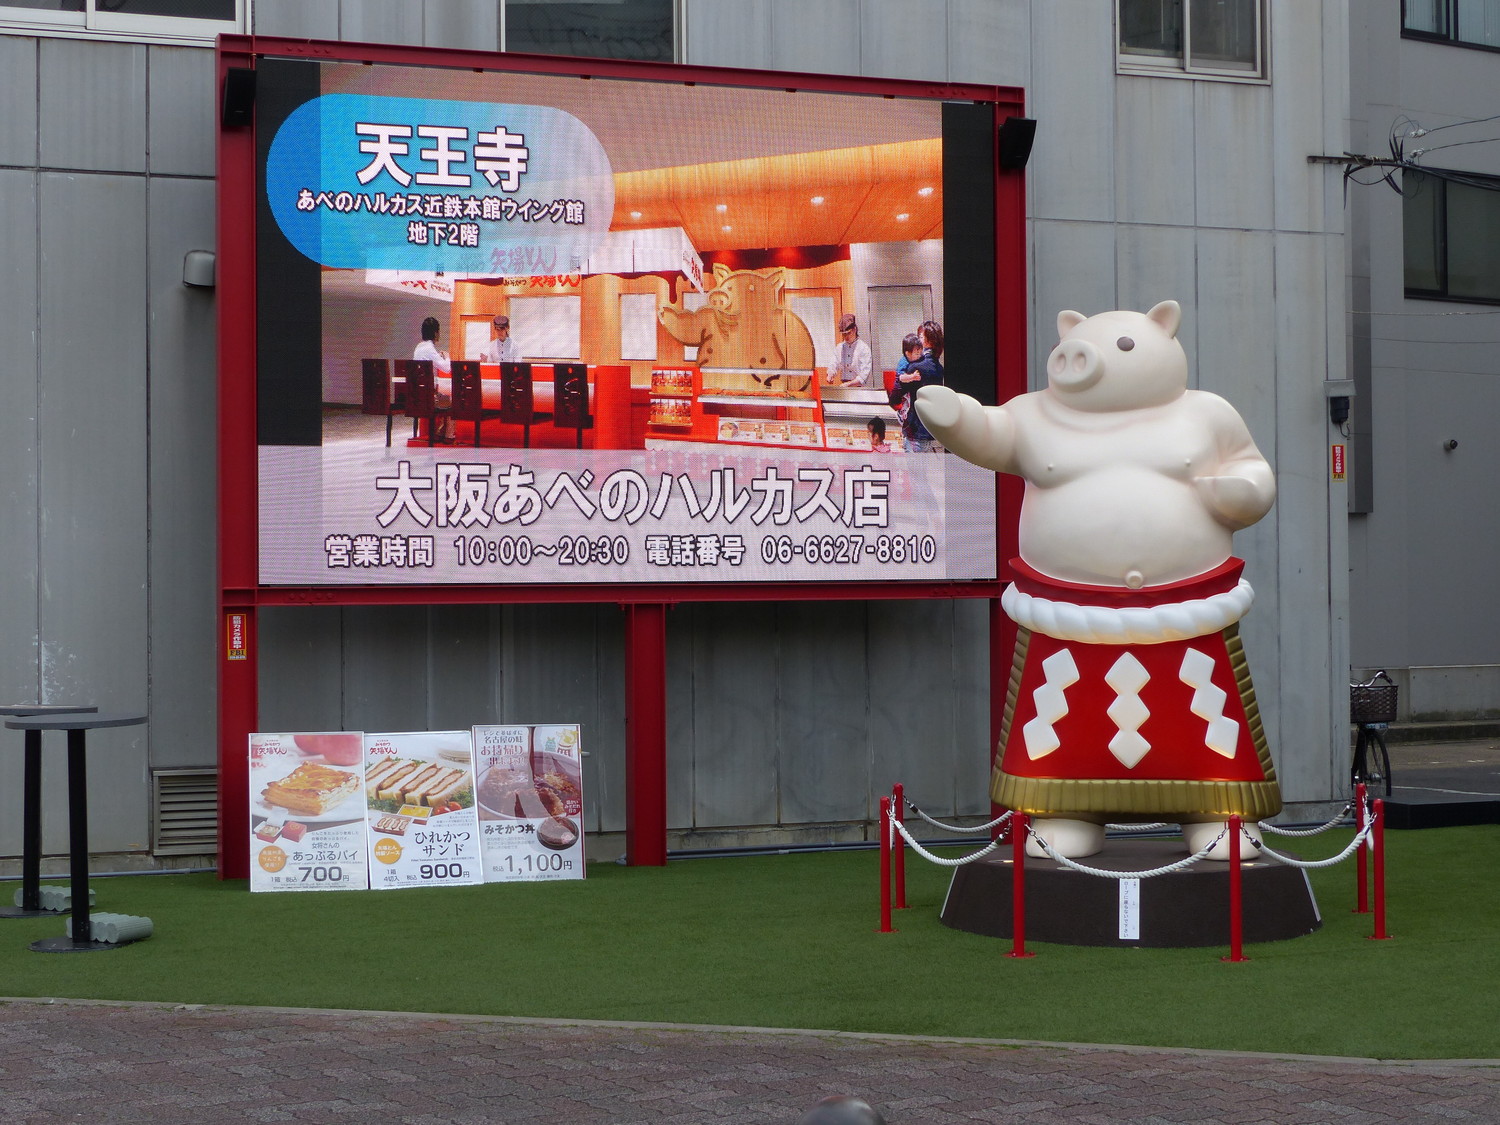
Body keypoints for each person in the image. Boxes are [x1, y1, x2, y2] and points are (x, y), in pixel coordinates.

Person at [890, 326, 944, 452]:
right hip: (931, 429)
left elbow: (894, 398)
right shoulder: (939, 368)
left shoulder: (914, 367)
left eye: (920, 337)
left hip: (915, 430)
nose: (918, 340)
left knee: (915, 465)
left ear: (928, 341)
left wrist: (899, 379)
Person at [413, 315, 455, 442]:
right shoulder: (430, 349)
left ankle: (440, 431)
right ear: (436, 333)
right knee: (453, 400)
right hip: (428, 397)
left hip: (417, 396)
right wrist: (447, 356)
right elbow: (447, 368)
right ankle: (449, 435)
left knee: (443, 398)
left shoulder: (419, 347)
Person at [826, 312, 872, 388]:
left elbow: (864, 375)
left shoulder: (863, 348)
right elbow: (833, 363)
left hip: (858, 387)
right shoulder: (839, 347)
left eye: (848, 333)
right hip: (844, 384)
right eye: (844, 334)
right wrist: (830, 374)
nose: (846, 337)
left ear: (854, 329)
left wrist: (849, 384)